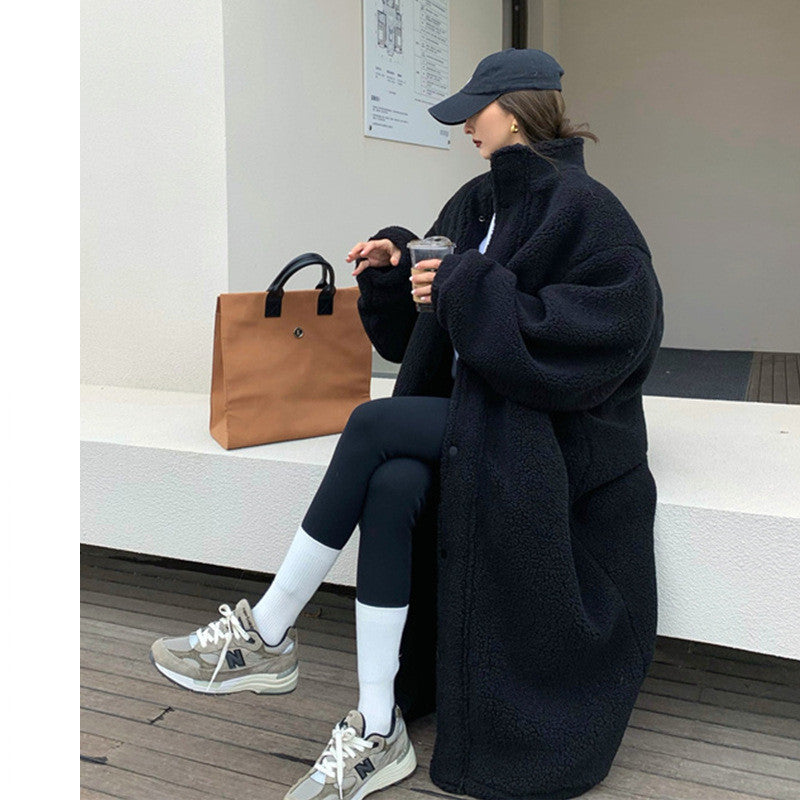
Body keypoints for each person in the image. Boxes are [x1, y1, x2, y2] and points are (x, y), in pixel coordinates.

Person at [150, 47, 664, 800]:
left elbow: (616, 335)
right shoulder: (475, 205)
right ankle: (377, 726)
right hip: (472, 417)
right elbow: (420, 335)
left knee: (371, 424)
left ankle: (265, 633)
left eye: (473, 113)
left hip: (546, 436)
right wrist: (393, 272)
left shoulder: (589, 212)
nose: (465, 129)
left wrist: (467, 285)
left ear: (514, 110)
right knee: (390, 484)